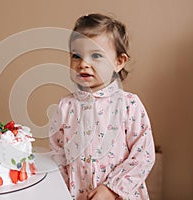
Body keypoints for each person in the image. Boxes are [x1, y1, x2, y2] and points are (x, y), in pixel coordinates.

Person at [49, 13, 155, 200]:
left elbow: (143, 156)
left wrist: (112, 189)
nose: (83, 64)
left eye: (96, 55)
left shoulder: (129, 105)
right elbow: (58, 156)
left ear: (119, 62)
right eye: (76, 56)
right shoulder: (65, 107)